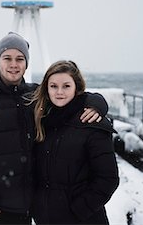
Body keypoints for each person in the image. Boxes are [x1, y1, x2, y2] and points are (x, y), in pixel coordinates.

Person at [0, 32, 105, 225]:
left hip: (32, 211)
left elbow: (71, 96)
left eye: (20, 59)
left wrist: (97, 103)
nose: (13, 64)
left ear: (26, 63)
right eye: (7, 58)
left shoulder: (36, 96)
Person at [30, 60, 119, 225]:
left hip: (84, 220)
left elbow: (108, 179)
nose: (59, 92)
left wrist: (78, 211)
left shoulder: (91, 123)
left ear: (76, 87)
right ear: (46, 88)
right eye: (53, 86)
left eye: (66, 86)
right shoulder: (42, 121)